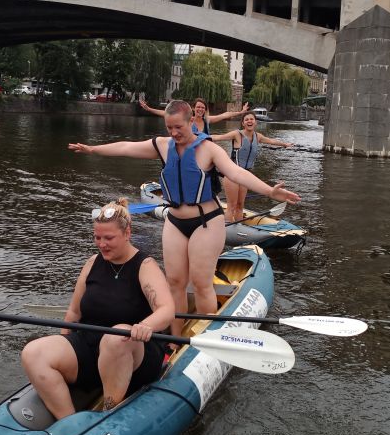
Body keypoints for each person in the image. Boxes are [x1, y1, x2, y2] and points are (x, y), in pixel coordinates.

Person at [69, 100, 300, 336]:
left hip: (206, 221)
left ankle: (209, 335)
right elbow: (127, 147)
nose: (174, 133)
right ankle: (175, 340)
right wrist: (93, 149)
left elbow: (236, 172)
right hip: (175, 221)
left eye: (178, 127)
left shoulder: (209, 149)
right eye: (169, 127)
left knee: (201, 283)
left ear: (191, 121)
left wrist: (270, 191)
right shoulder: (162, 145)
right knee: (175, 283)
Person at [21, 198, 175, 419]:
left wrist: (145, 325)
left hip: (133, 351)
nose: (102, 244)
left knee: (116, 337)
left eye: (109, 238)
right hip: (90, 345)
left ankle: (108, 412)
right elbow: (73, 313)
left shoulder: (145, 266)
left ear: (127, 233)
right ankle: (69, 422)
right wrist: (63, 344)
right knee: (33, 352)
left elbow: (167, 310)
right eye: (97, 237)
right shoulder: (92, 262)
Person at [211, 112, 293, 223]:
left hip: (245, 176)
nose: (249, 121)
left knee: (240, 205)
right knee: (232, 206)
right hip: (232, 175)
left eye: (251, 119)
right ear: (243, 123)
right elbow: (218, 137)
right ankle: (227, 228)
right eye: (246, 120)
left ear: (255, 122)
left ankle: (239, 227)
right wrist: (199, 137)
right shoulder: (237, 134)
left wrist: (285, 144)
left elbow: (272, 141)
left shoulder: (258, 136)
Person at [139, 97, 249, 135]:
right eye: (198, 107)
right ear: (193, 108)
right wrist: (149, 109)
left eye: (203, 108)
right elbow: (166, 113)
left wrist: (240, 112)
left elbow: (225, 114)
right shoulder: (188, 119)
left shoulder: (207, 120)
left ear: (205, 109)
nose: (200, 109)